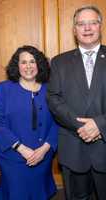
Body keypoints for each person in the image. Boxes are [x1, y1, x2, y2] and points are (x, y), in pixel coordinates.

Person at [47, 5, 106, 200]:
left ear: (101, 26)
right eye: (81, 24)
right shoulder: (58, 62)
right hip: (73, 147)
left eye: (92, 23)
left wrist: (99, 124)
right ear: (74, 30)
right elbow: (53, 99)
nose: (87, 28)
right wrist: (83, 126)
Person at [0, 45, 58, 200]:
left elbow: (58, 121)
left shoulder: (50, 89)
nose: (28, 66)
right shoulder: (5, 88)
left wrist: (44, 149)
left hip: (43, 156)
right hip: (13, 158)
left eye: (32, 61)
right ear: (17, 65)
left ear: (39, 65)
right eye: (23, 62)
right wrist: (21, 149)